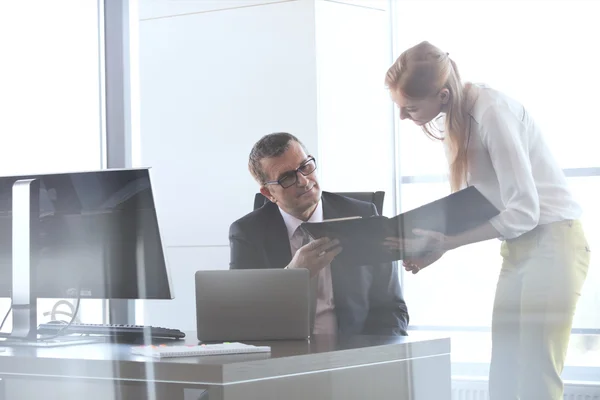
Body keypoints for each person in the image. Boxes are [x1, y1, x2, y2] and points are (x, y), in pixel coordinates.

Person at [383, 40, 591, 400]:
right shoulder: (460, 118)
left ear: (443, 95)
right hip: (519, 247)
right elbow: (487, 201)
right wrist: (439, 247)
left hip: (555, 241)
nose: (403, 117)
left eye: (410, 108)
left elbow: (525, 210)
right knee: (507, 372)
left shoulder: (491, 111)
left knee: (537, 374)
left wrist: (451, 242)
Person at [229, 132, 409, 336]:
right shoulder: (248, 233)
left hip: (354, 356)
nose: (304, 181)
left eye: (305, 167)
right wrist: (293, 276)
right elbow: (242, 317)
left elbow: (392, 309)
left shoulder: (363, 216)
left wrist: (376, 360)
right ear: (269, 194)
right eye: (287, 178)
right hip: (283, 359)